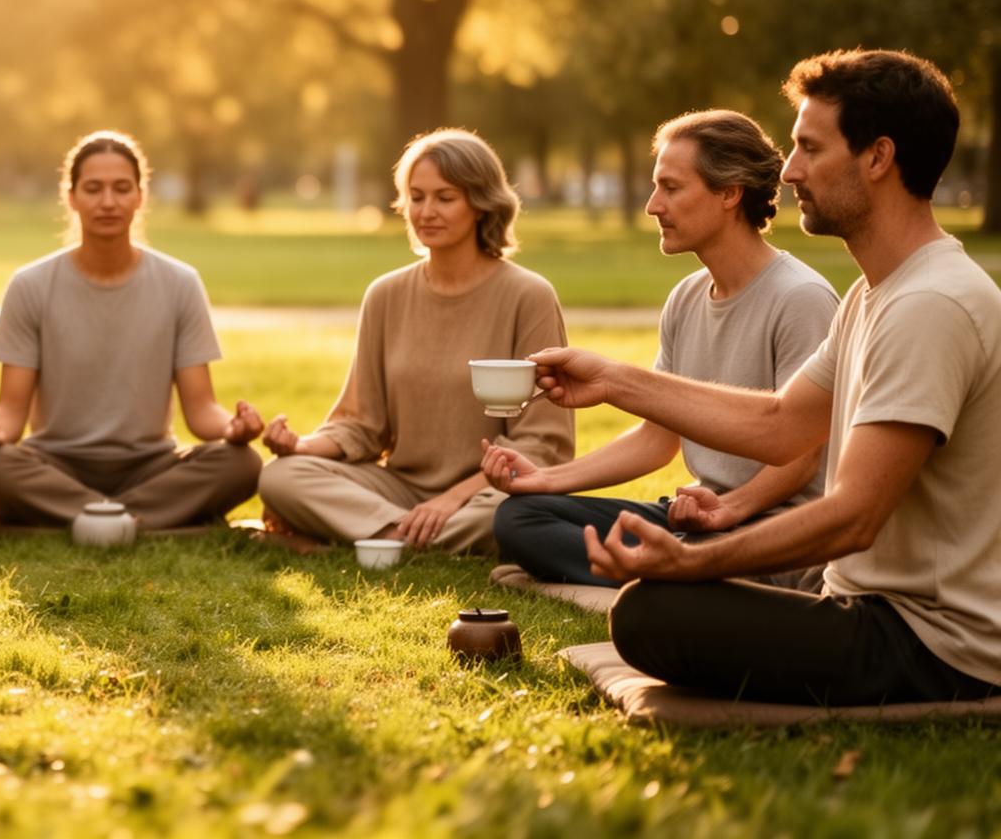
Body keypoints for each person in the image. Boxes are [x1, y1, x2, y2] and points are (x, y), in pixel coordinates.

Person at [534, 49, 1000, 705]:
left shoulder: (932, 304)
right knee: (656, 604)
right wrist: (616, 380)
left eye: (810, 147)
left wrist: (693, 562)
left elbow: (853, 518)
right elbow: (780, 425)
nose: (788, 170)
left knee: (649, 615)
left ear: (878, 157)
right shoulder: (878, 294)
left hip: (932, 645)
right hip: (866, 604)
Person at [484, 111, 837, 588]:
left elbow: (803, 454)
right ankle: (666, 573)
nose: (653, 205)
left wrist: (729, 509)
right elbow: (656, 440)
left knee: (705, 553)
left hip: (772, 528)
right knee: (520, 518)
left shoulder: (801, 298)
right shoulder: (686, 298)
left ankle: (669, 575)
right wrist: (545, 480)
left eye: (671, 188)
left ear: (729, 193)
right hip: (697, 518)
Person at [257, 129, 572, 553]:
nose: (426, 211)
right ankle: (404, 538)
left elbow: (541, 445)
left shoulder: (528, 296)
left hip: (487, 492)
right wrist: (301, 446)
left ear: (481, 204)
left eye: (445, 197)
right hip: (398, 488)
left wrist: (451, 499)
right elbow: (361, 424)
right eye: (416, 197)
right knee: (280, 476)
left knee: (514, 514)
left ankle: (374, 539)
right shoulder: (384, 295)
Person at [0, 131, 262, 529]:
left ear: (140, 196)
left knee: (241, 462)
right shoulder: (30, 285)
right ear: (70, 197)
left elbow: (201, 408)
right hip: (56, 464)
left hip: (150, 465)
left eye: (122, 189)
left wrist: (232, 428)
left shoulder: (180, 283)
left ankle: (93, 517)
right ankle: (134, 518)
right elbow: (12, 413)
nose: (108, 202)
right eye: (93, 189)